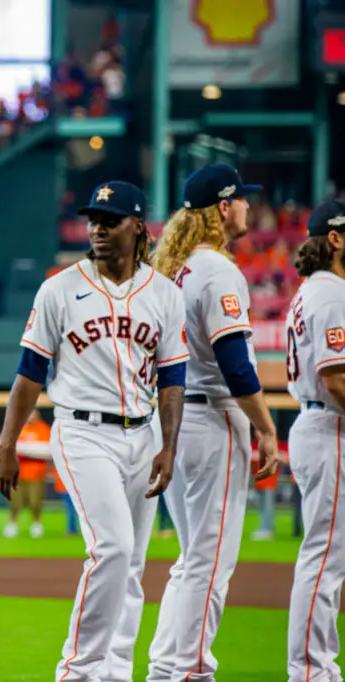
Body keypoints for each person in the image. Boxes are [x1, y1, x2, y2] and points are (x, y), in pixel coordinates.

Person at [0, 181, 189, 681]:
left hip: (143, 433)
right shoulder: (60, 288)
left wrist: (169, 446)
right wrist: (9, 444)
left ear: (138, 226)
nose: (98, 227)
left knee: (132, 562)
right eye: (93, 219)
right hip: (83, 432)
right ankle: (77, 670)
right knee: (112, 548)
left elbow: (172, 378)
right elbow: (29, 373)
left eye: (111, 219)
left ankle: (116, 670)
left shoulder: (164, 294)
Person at [146, 163, 280, 682]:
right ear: (224, 207)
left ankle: (165, 668)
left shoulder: (177, 268)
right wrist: (266, 426)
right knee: (210, 560)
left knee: (191, 557)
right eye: (242, 199)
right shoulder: (217, 269)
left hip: (178, 417)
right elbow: (236, 362)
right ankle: (192, 671)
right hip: (213, 417)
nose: (249, 206)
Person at [284, 197, 345, 682]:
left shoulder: (315, 290)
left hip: (321, 424)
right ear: (336, 239)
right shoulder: (331, 293)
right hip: (330, 426)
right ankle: (311, 671)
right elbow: (336, 377)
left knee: (328, 558)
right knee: (324, 559)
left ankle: (317, 667)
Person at [4, 409, 51, 539]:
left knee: (35, 501)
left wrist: (24, 449)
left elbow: (47, 450)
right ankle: (12, 524)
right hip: (16, 474)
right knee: (15, 502)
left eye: (33, 414)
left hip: (36, 474)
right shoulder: (18, 428)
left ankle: (36, 524)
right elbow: (7, 446)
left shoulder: (43, 429)